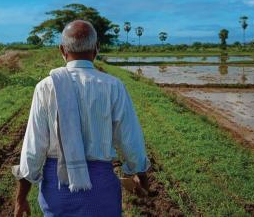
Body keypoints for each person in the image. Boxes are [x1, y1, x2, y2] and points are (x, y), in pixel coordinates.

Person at [12, 20, 150, 217]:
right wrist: (140, 172)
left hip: (57, 190)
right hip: (100, 190)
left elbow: (33, 149)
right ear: (97, 49)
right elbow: (130, 138)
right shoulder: (113, 86)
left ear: (62, 49)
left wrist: (21, 198)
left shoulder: (46, 87)